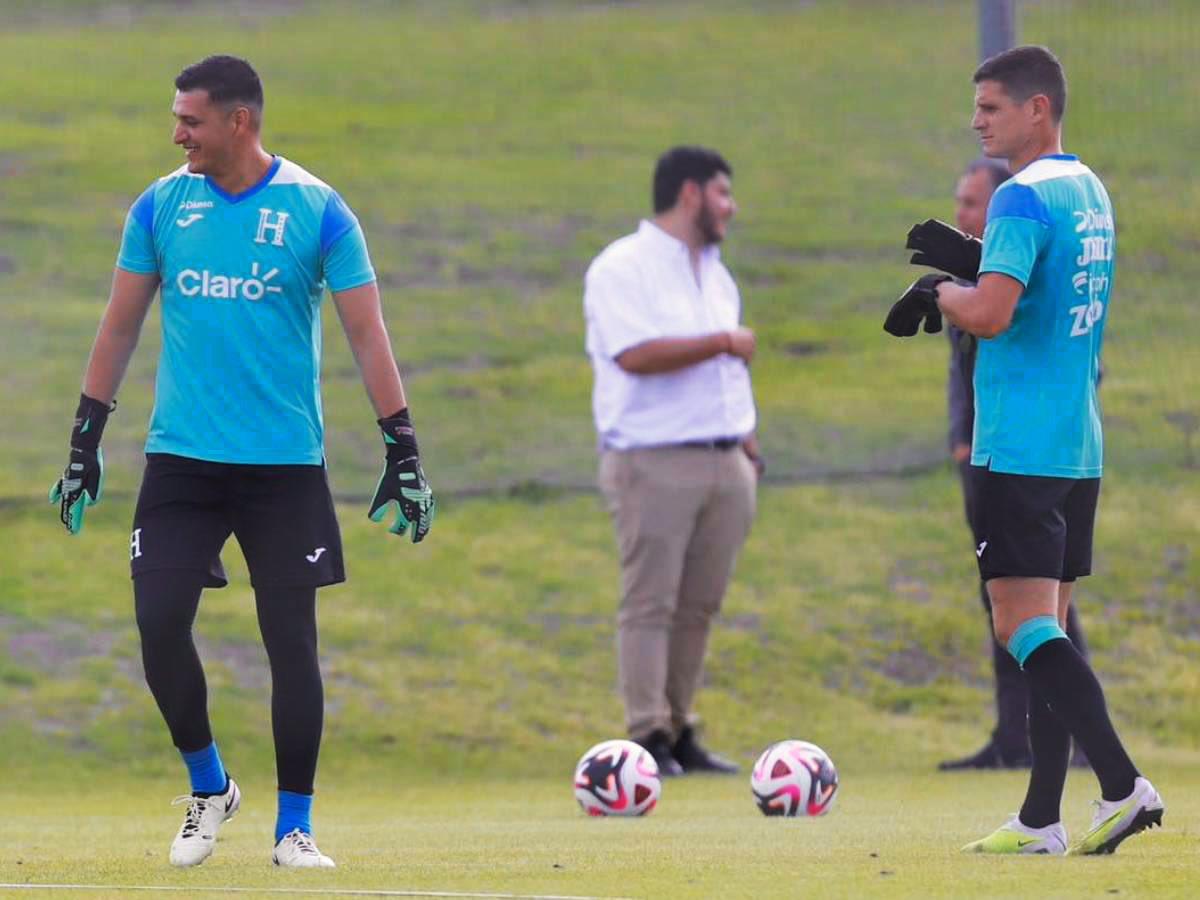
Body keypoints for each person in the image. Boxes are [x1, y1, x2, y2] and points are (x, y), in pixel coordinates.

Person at [49, 55, 435, 869]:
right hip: (181, 462)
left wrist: (401, 445)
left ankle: (295, 829)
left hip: (282, 467)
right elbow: (119, 326)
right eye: (176, 119)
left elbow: (367, 333)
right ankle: (211, 787)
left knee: (290, 644)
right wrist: (85, 440)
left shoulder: (318, 210)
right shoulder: (160, 206)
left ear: (238, 121)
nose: (177, 134)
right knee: (159, 625)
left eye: (190, 120)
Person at [885, 45, 1163, 855]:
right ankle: (1043, 818)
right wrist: (972, 262)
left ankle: (1124, 785)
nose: (977, 121)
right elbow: (1043, 285)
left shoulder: (1017, 196)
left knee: (1020, 627)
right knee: (1049, 625)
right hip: (1076, 442)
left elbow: (995, 315)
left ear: (1037, 108)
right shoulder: (1087, 189)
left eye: (991, 107)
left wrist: (940, 292)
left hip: (1017, 445)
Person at [583, 146, 762, 776]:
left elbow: (725, 376)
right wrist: (722, 341)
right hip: (652, 459)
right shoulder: (622, 266)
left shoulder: (715, 272)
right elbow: (634, 354)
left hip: (725, 457)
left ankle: (681, 728)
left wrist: (748, 443)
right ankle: (647, 733)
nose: (730, 207)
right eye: (722, 193)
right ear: (690, 193)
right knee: (650, 602)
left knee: (699, 605)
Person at [937, 158, 1092, 772]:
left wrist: (944, 294)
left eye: (973, 203)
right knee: (1007, 609)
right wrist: (961, 438)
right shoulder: (978, 277)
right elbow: (963, 370)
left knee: (1040, 614)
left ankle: (1096, 753)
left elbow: (1064, 356)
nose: (961, 214)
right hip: (987, 455)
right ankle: (1014, 740)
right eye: (960, 201)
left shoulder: (1025, 276)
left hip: (1027, 456)